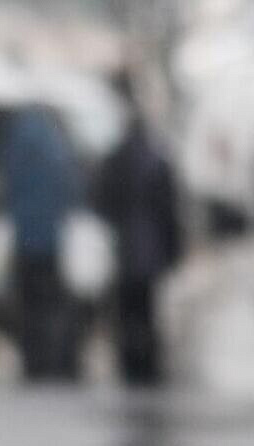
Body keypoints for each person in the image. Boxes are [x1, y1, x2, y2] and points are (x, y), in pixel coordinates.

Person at [91, 73, 184, 387]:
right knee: (146, 310)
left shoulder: (115, 160)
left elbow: (103, 201)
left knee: (128, 310)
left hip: (127, 246)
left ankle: (132, 364)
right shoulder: (158, 161)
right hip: (151, 247)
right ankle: (148, 364)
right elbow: (170, 210)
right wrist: (173, 250)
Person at [1, 105, 83, 382]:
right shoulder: (57, 147)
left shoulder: (18, 146)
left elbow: (9, 188)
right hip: (53, 240)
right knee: (53, 303)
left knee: (29, 305)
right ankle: (56, 361)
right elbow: (72, 190)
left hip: (26, 239)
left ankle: (33, 362)